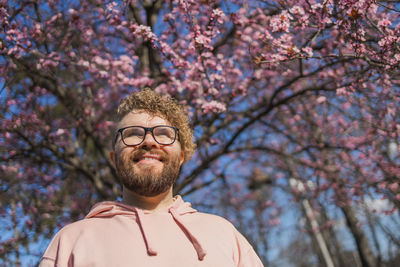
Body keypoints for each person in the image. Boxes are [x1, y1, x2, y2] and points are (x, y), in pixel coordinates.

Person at [39, 89, 263, 267]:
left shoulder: (225, 234)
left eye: (164, 134)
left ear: (182, 156)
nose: (149, 142)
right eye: (133, 134)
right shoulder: (70, 241)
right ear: (113, 158)